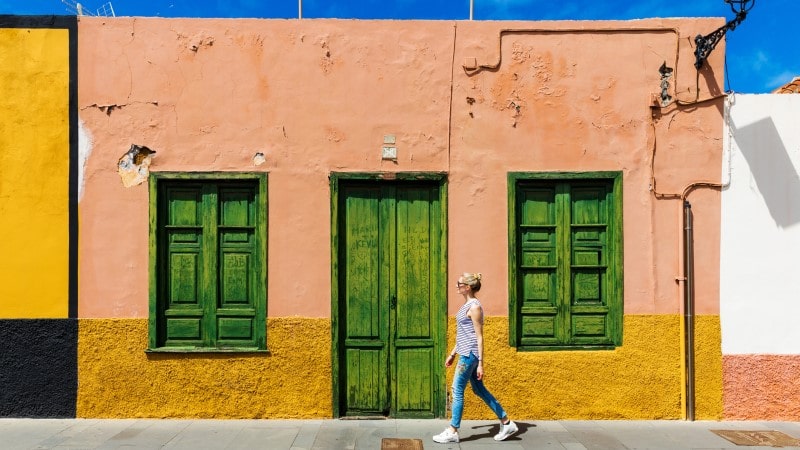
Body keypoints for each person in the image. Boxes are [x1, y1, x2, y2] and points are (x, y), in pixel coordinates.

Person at [433, 272, 518, 444]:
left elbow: (478, 337)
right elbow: (465, 334)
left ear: (468, 287)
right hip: (464, 353)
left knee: (457, 390)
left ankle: (453, 430)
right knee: (479, 390)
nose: (457, 285)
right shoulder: (467, 305)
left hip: (469, 356)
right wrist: (452, 353)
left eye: (459, 283)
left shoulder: (475, 307)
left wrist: (480, 364)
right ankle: (506, 422)